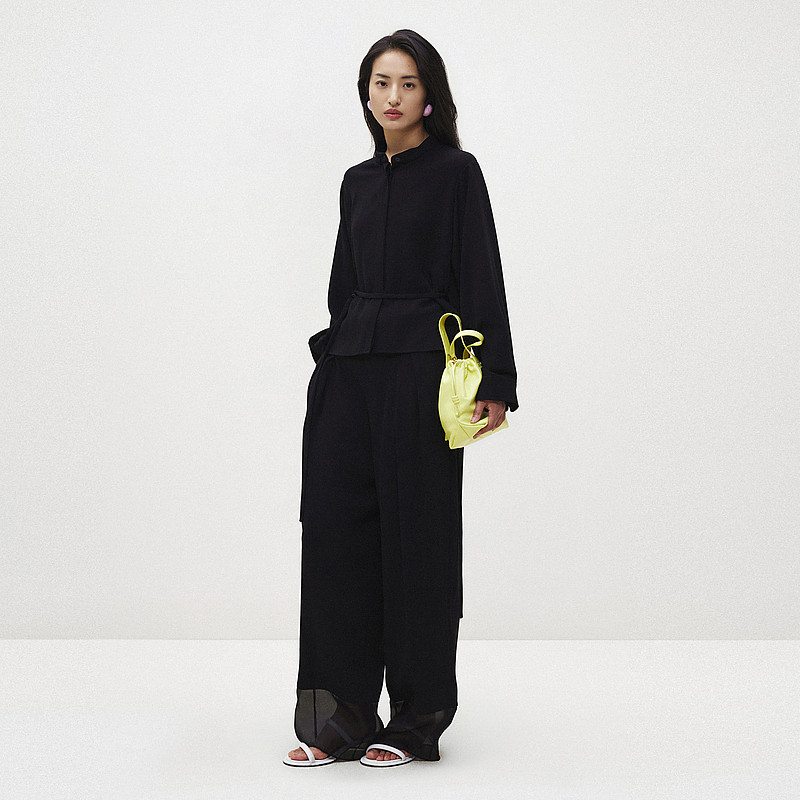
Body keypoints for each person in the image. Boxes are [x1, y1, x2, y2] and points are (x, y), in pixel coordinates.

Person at [284, 29, 518, 768]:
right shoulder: (356, 181)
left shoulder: (456, 173)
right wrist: (333, 355)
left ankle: (417, 720)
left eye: (408, 84)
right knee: (335, 538)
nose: (393, 97)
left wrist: (497, 381)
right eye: (381, 83)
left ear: (429, 96)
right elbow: (343, 284)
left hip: (422, 374)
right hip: (350, 374)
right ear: (366, 94)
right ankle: (337, 718)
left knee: (418, 539)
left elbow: (480, 271)